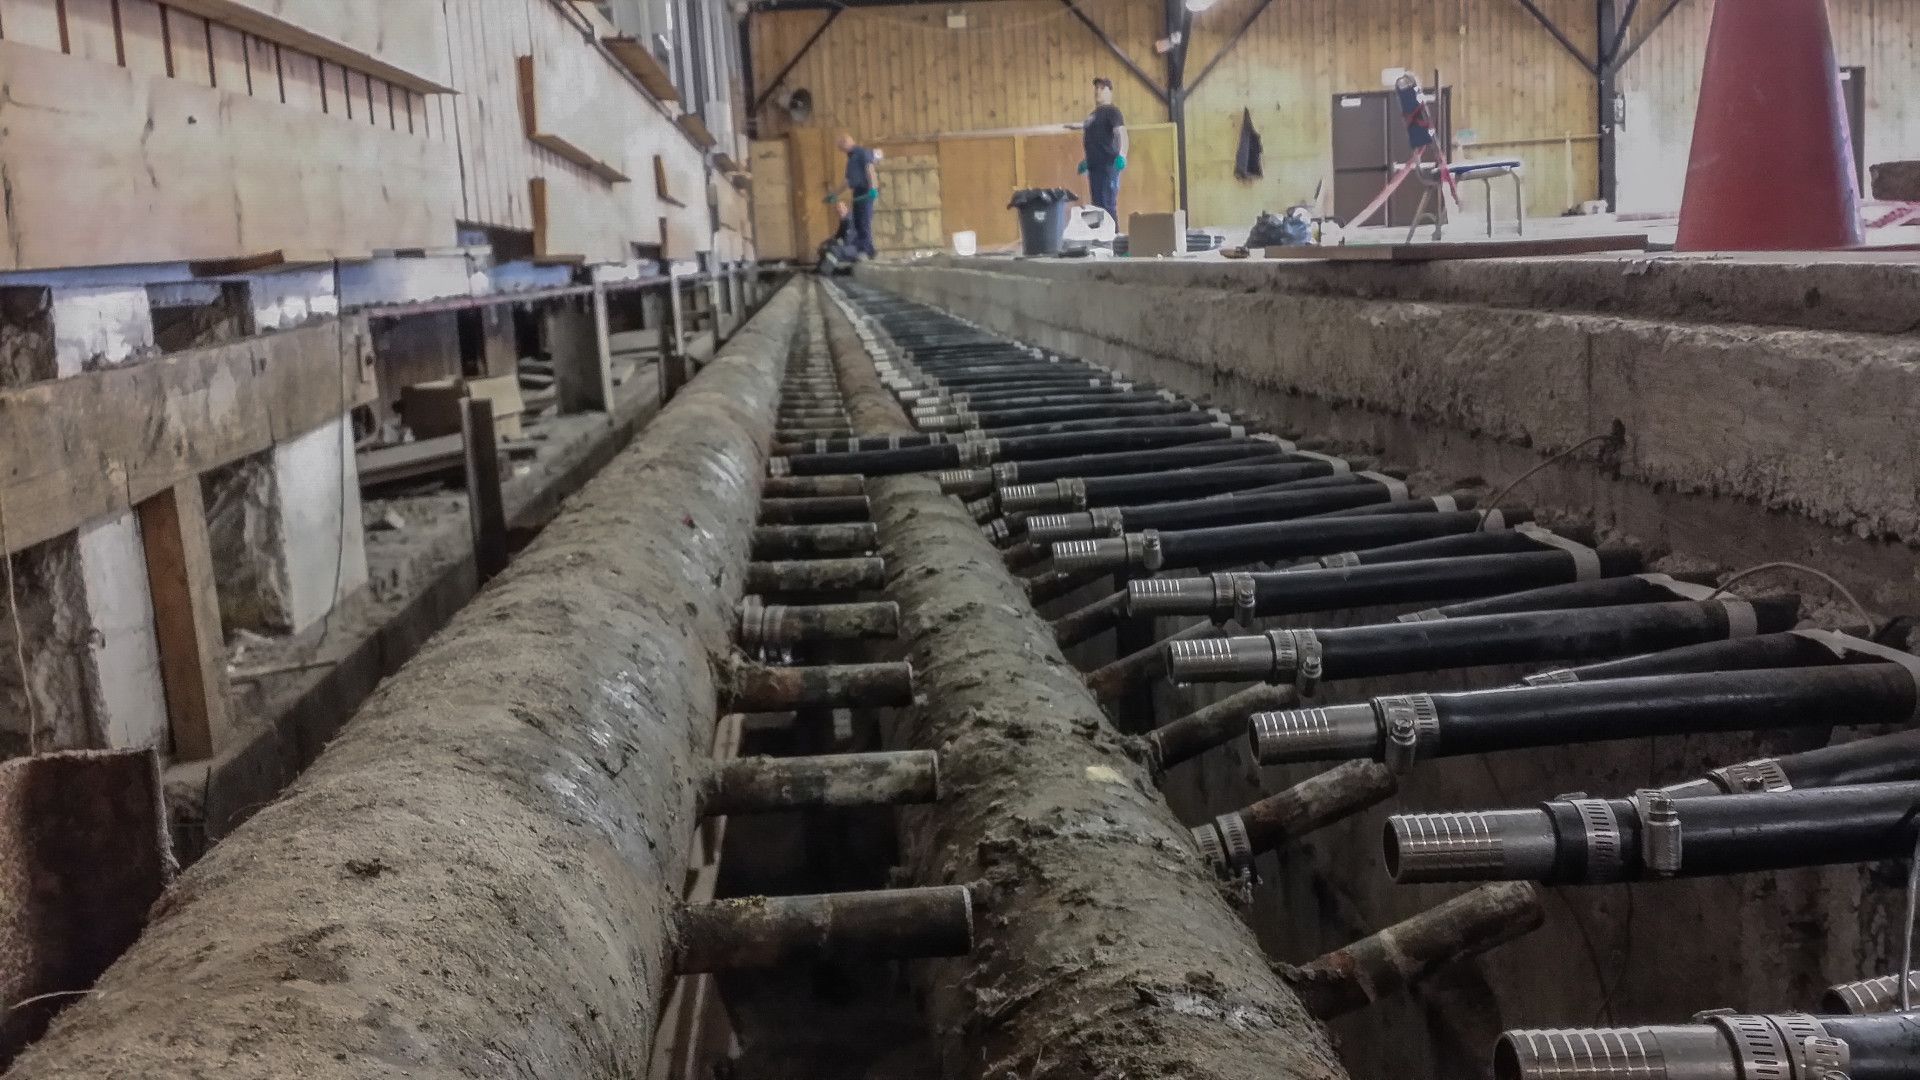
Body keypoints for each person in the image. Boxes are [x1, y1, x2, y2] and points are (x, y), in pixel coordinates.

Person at [1078, 77, 1128, 221]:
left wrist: (1122, 155)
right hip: (1094, 167)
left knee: (1108, 204)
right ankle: (1101, 240)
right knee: (1097, 206)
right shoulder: (1092, 116)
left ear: (1110, 92)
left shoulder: (1113, 112)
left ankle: (1114, 238)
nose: (1098, 91)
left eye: (1102, 88)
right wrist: (1086, 160)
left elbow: (1122, 134)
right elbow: (1093, 140)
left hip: (1108, 166)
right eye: (1096, 88)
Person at [832, 133, 879, 260]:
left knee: (864, 221)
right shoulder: (851, 159)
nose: (841, 150)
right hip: (857, 192)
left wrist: (873, 189)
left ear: (846, 142)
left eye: (841, 147)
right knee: (858, 221)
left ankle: (868, 251)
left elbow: (870, 169)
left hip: (865, 192)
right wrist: (834, 194)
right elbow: (848, 181)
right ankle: (862, 250)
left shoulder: (862, 153)